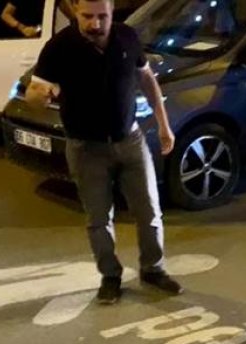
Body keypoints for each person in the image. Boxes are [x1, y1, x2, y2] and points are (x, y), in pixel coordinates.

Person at [25, 0, 182, 305]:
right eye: (87, 17)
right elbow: (34, 92)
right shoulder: (59, 47)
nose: (95, 24)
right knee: (98, 219)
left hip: (130, 140)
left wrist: (164, 124)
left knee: (149, 211)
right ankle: (110, 276)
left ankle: (153, 269)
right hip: (86, 148)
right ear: (75, 10)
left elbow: (147, 79)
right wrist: (39, 96)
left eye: (102, 17)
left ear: (112, 12)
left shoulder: (127, 37)